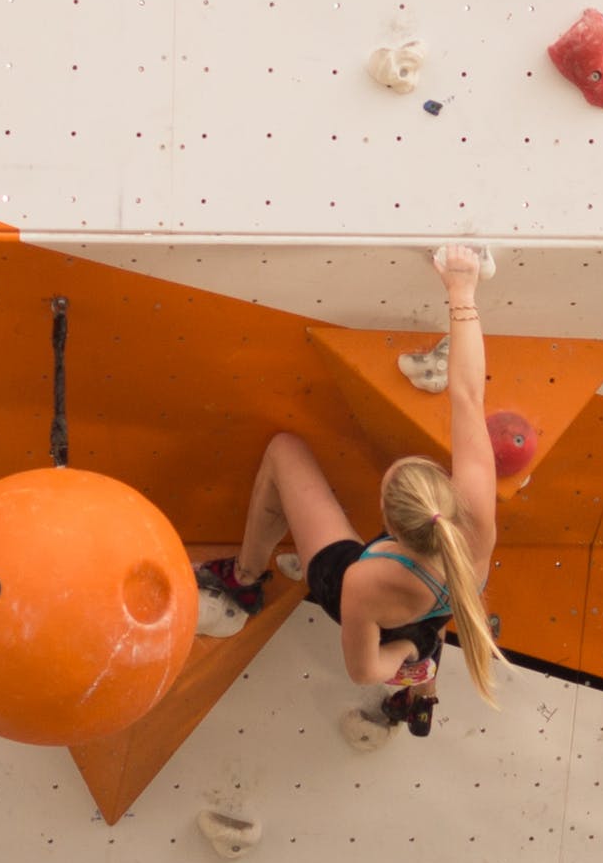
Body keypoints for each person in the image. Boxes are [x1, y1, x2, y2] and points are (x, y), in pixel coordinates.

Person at [196, 245, 505, 734]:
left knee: (283, 450)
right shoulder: (476, 524)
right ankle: (420, 699)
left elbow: (363, 670)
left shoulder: (365, 579)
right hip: (444, 597)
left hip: (391, 617)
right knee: (438, 614)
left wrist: (407, 655)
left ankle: (244, 578)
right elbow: (468, 393)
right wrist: (462, 289)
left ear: (387, 522)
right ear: (446, 495)